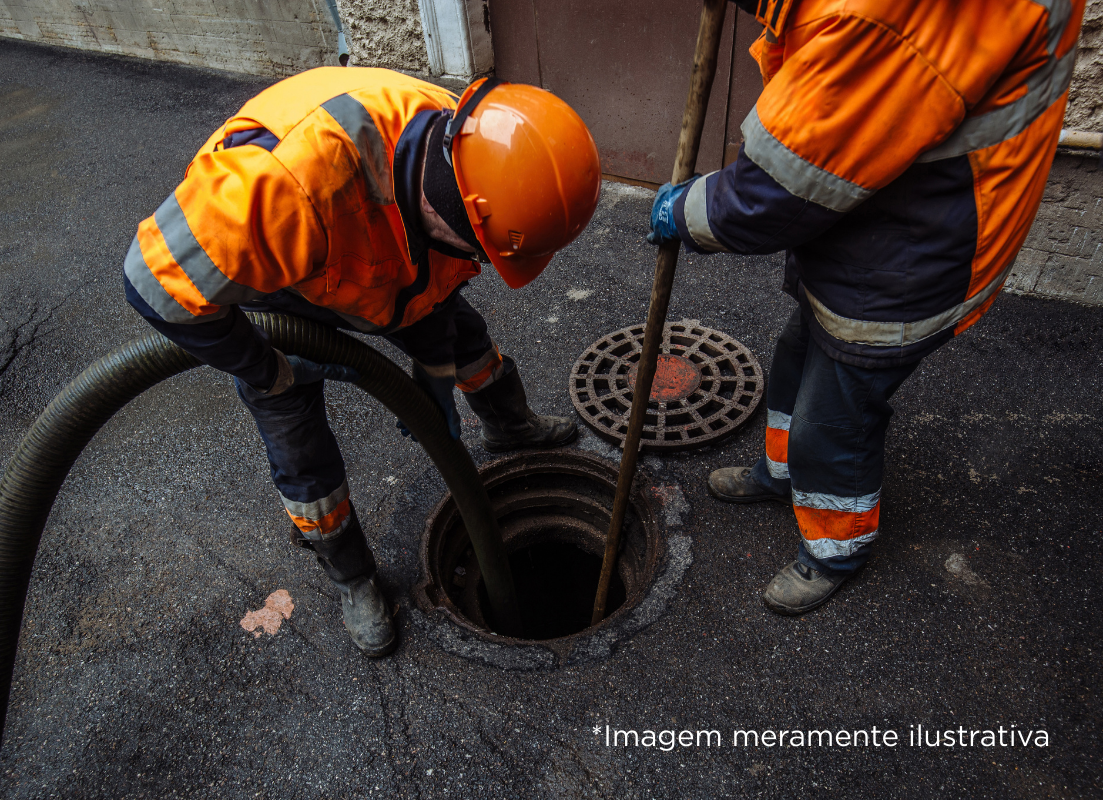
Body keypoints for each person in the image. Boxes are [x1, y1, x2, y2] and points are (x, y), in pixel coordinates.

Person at [123, 68, 601, 655]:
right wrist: (265, 366)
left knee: (462, 338)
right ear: (455, 206)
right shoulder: (280, 186)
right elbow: (151, 283)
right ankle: (352, 577)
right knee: (295, 434)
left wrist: (435, 383)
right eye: (483, 248)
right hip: (291, 281)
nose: (484, 260)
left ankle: (509, 425)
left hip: (388, 258)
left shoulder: (479, 151)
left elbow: (440, 291)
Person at [649, 0, 1085, 615]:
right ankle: (782, 472)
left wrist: (687, 212)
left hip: (917, 245)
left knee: (836, 416)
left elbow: (774, 191)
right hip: (874, 208)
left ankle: (835, 548)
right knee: (797, 349)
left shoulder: (889, 15)